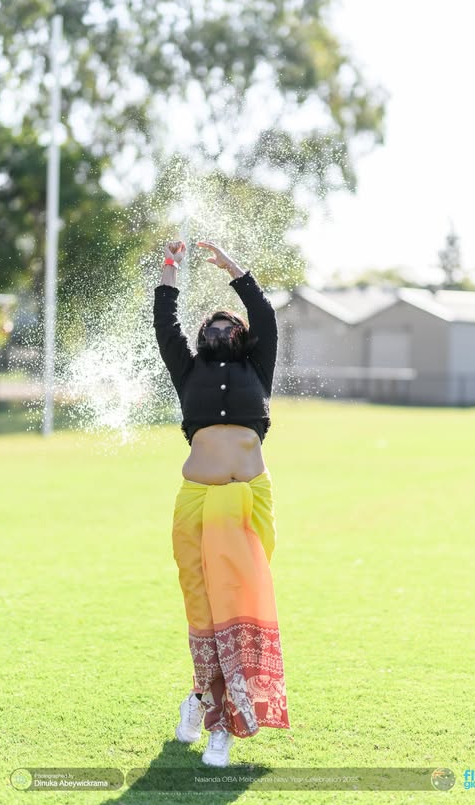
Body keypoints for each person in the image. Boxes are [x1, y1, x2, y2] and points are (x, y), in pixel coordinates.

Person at [153, 239, 290, 768]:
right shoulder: (187, 370)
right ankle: (202, 698)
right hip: (196, 504)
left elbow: (264, 313)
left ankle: (220, 722)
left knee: (239, 607)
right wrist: (169, 271)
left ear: (243, 336)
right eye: (209, 324)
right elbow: (166, 326)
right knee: (204, 610)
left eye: (226, 322)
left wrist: (234, 269)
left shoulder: (260, 364)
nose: (216, 327)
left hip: (249, 504)